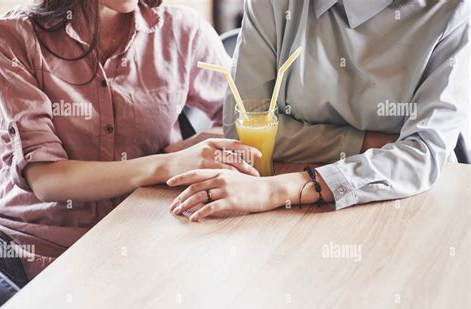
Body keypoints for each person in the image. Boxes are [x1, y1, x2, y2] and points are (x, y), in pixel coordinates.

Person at [0, 0, 261, 297]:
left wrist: (189, 148)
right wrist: (168, 162)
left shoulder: (182, 30)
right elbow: (47, 179)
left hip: (146, 242)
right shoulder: (14, 37)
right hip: (21, 252)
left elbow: (245, 119)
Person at [169, 0, 469, 221]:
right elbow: (244, 127)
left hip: (405, 207)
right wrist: (368, 142)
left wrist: (277, 190)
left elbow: (423, 155)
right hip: (281, 216)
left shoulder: (453, 11)